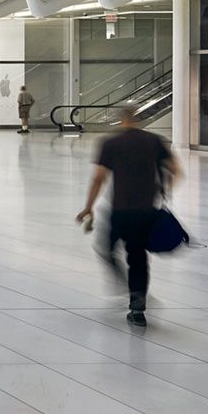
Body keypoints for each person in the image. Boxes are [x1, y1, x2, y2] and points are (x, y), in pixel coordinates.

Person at [75, 103, 180, 326]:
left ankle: (125, 287)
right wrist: (163, 191)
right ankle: (137, 306)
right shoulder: (154, 140)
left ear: (120, 119)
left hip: (120, 209)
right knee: (138, 256)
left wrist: (88, 207)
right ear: (137, 119)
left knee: (107, 248)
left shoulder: (111, 143)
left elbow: (99, 177)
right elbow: (175, 170)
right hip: (146, 210)